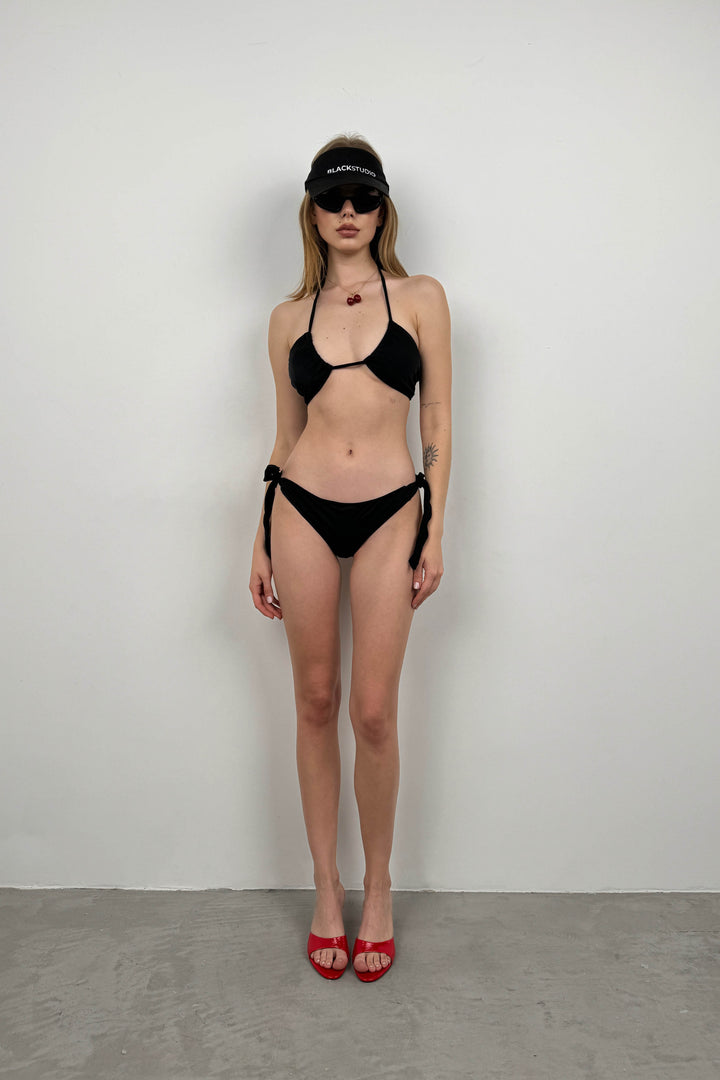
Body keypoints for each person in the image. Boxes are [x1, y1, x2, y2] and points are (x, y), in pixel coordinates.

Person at [249, 134, 452, 982]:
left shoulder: (422, 298)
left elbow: (436, 418)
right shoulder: (287, 318)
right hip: (299, 507)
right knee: (314, 699)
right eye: (332, 199)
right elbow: (286, 435)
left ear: (382, 209)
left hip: (391, 511)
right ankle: (326, 890)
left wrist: (433, 527)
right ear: (312, 210)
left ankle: (380, 887)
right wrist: (260, 534)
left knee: (372, 712)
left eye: (362, 198)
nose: (347, 212)